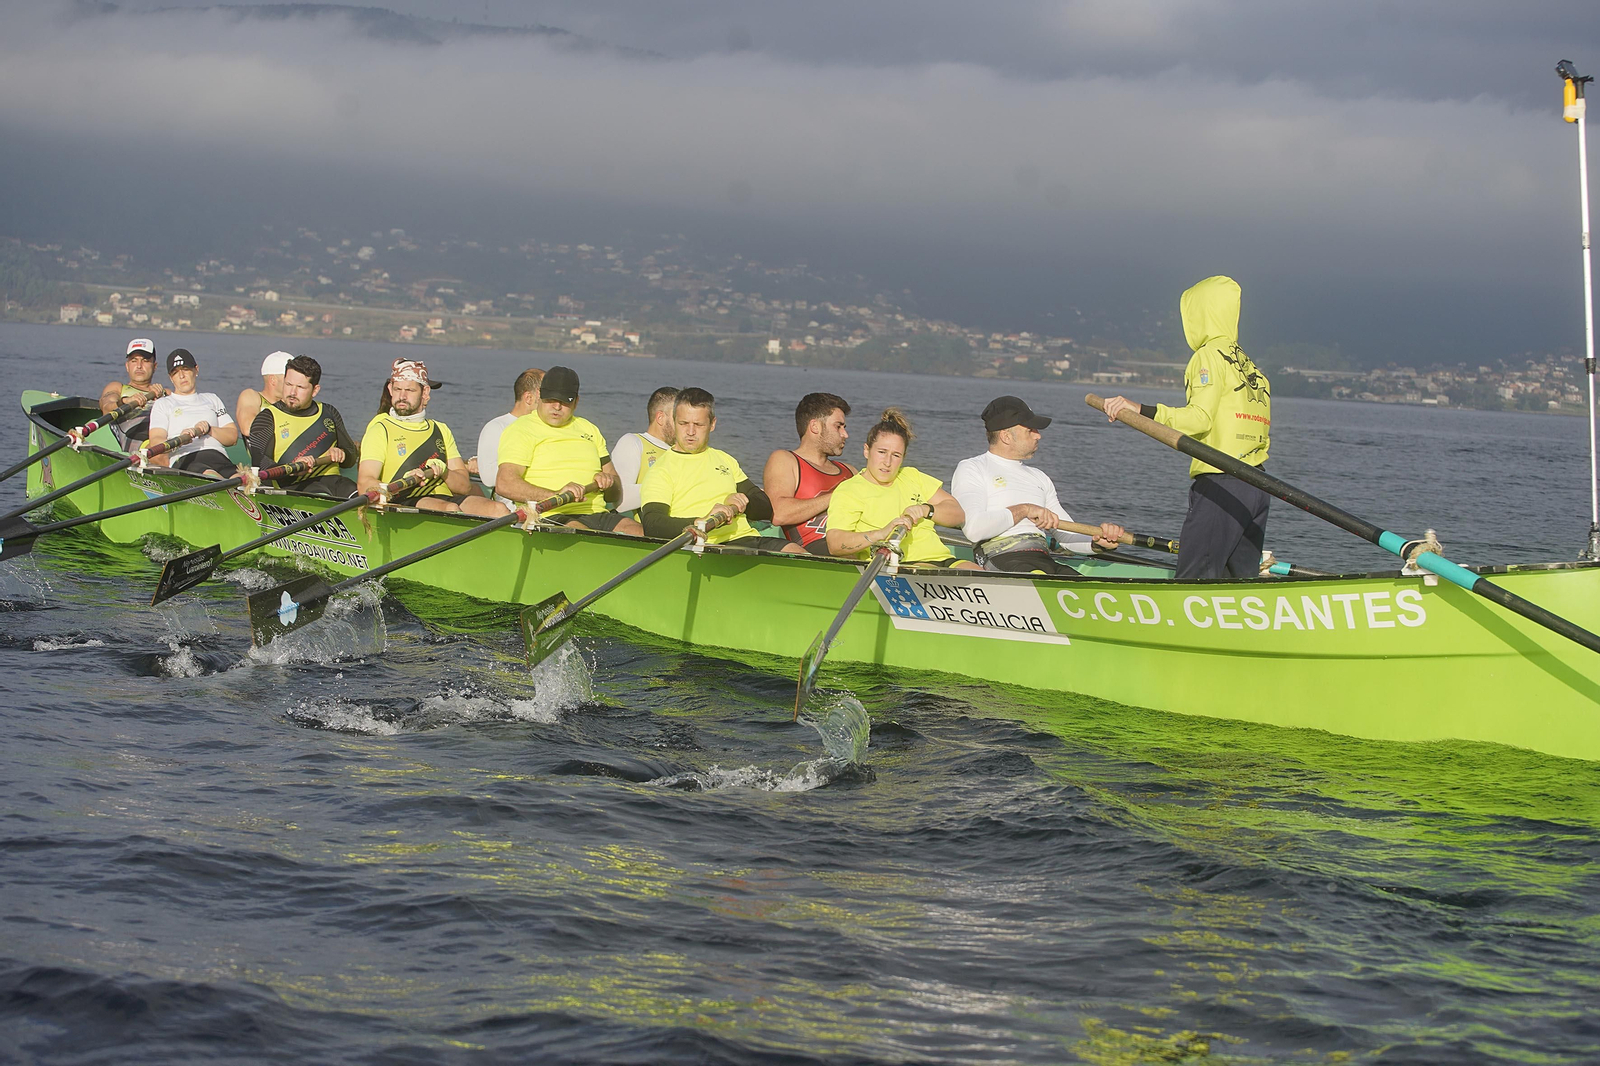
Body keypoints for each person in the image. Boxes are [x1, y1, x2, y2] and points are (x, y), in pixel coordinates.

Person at [1102, 275, 1271, 580]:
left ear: (1201, 314)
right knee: (1239, 580)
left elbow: (1199, 419)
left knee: (1196, 577)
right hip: (1258, 484)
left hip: (1223, 481)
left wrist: (1140, 410)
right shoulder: (1249, 365)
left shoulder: (1208, 356)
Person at [951, 396, 1126, 575]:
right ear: (1006, 436)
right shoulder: (972, 468)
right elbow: (974, 529)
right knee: (1038, 575)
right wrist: (1025, 510)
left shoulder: (1039, 478)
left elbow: (1066, 536)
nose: (1038, 435)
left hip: (1042, 558)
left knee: (1074, 578)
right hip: (1000, 557)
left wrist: (1097, 543)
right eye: (1030, 430)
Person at [639, 387, 804, 553]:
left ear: (712, 424)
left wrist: (741, 501)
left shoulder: (724, 459)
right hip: (702, 546)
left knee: (796, 551)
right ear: (674, 421)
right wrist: (700, 521)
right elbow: (652, 524)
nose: (690, 432)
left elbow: (765, 507)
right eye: (683, 424)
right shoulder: (661, 470)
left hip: (745, 538)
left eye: (698, 425)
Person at [825, 408, 978, 569]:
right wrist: (881, 533)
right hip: (896, 565)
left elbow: (958, 514)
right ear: (866, 450)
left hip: (943, 560)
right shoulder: (850, 490)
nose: (887, 462)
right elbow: (835, 543)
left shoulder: (912, 476)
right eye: (882, 452)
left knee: (978, 573)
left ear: (903, 457)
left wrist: (927, 510)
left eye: (896, 455)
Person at [494, 366, 641, 534]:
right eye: (551, 399)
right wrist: (556, 494)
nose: (557, 406)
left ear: (576, 401)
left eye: (565, 401)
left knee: (640, 533)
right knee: (582, 534)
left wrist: (609, 482)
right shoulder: (521, 429)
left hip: (597, 513)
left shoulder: (589, 429)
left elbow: (614, 494)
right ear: (539, 396)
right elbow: (504, 484)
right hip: (550, 513)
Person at [357, 359, 506, 516]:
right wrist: (390, 487)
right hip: (402, 499)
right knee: (450, 509)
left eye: (409, 390)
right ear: (390, 389)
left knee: (499, 509)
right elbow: (365, 481)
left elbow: (464, 487)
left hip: (443, 497)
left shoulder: (441, 429)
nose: (402, 396)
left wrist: (444, 471)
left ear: (425, 393)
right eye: (397, 389)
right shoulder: (381, 429)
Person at [247, 354, 359, 497]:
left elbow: (350, 459)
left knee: (358, 494)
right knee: (321, 495)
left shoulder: (329, 412)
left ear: (315, 390)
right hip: (293, 486)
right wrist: (293, 469)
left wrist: (341, 453)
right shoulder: (267, 418)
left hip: (334, 481)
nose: (292, 392)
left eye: (300, 387)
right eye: (288, 385)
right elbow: (260, 464)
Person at [762, 392, 854, 555]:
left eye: (844, 428)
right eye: (838, 426)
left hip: (856, 543)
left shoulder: (850, 471)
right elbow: (779, 513)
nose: (845, 435)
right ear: (815, 426)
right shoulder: (785, 460)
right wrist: (839, 495)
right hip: (814, 549)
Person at [145, 348, 239, 476]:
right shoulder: (163, 404)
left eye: (185, 369)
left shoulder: (212, 399)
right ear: (171, 378)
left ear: (196, 370)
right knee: (210, 476)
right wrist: (179, 441)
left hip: (218, 457)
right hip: (185, 458)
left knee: (242, 479)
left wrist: (209, 430)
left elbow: (232, 437)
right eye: (175, 372)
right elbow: (156, 440)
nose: (182, 376)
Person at [610, 386, 679, 514]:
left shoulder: (683, 451)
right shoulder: (633, 442)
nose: (685, 425)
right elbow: (621, 500)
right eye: (679, 418)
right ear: (660, 418)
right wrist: (676, 489)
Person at [475, 368, 543, 494]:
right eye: (547, 396)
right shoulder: (496, 427)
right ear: (529, 398)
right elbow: (489, 479)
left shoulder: (549, 428)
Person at [98, 338, 167, 444]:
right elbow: (106, 408)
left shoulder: (165, 393)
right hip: (136, 442)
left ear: (155, 366)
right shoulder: (117, 388)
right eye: (134, 361)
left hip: (164, 439)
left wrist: (163, 399)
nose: (139, 366)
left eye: (145, 361)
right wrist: (126, 401)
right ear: (127, 366)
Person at [236, 351, 290, 448]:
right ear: (273, 380)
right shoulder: (251, 396)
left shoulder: (295, 403)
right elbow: (248, 428)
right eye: (289, 379)